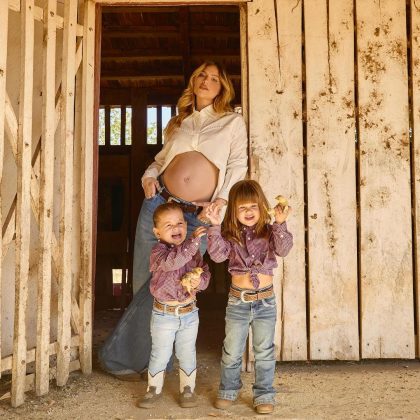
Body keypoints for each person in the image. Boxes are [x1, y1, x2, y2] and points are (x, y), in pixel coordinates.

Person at [99, 61, 248, 380]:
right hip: (160, 203)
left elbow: (237, 164)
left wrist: (221, 201)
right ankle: (153, 362)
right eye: (202, 76)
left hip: (199, 215)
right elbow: (159, 161)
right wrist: (148, 177)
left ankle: (137, 356)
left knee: (183, 283)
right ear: (193, 82)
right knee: (144, 280)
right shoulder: (179, 123)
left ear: (222, 87)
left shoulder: (231, 122)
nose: (207, 81)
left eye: (214, 79)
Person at [205, 180, 293, 415]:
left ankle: (264, 393)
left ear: (262, 206)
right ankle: (228, 390)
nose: (249, 212)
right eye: (242, 208)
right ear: (233, 210)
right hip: (238, 301)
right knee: (232, 349)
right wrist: (214, 226)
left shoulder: (270, 231)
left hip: (265, 301)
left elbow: (284, 250)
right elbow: (216, 256)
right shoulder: (229, 234)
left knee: (264, 351)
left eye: (253, 206)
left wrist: (281, 224)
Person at [137, 202, 210, 409]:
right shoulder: (158, 252)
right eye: (168, 225)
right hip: (164, 315)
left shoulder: (193, 252)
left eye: (179, 223)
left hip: (189, 313)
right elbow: (173, 262)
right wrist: (194, 242)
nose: (175, 228)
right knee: (160, 352)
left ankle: (187, 389)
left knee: (187, 352)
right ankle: (153, 389)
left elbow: (204, 272)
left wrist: (200, 281)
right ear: (156, 231)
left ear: (186, 225)